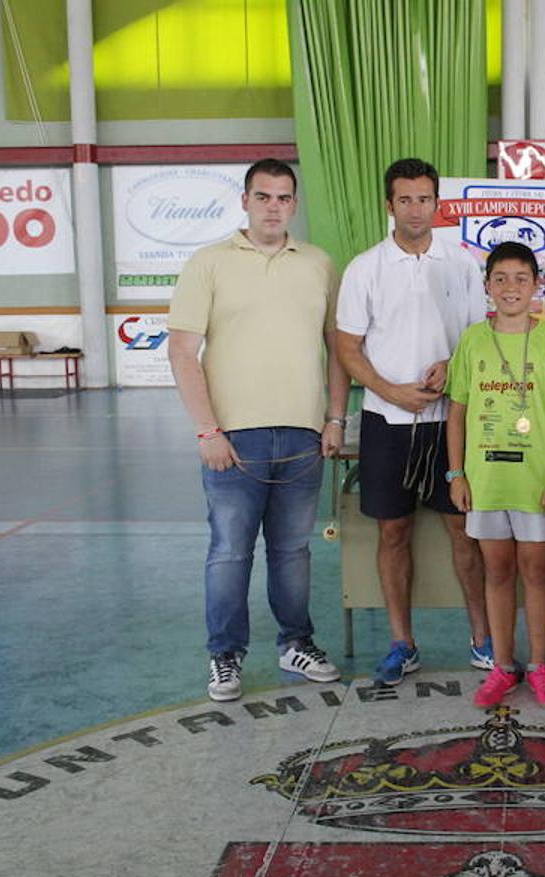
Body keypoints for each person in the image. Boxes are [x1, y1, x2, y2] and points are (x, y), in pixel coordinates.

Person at [167, 158, 346, 702]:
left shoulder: (318, 263)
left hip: (302, 437)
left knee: (292, 551)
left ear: (295, 204)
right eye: (263, 196)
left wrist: (335, 417)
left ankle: (297, 643)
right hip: (232, 440)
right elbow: (181, 350)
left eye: (284, 198)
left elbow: (337, 348)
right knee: (229, 552)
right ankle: (225, 656)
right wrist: (207, 431)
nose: (274, 207)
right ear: (244, 200)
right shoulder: (208, 263)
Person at [335, 158, 490, 686]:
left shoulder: (463, 264)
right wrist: (390, 391)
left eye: (425, 199)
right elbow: (347, 347)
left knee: (463, 530)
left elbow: (477, 337)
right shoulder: (364, 268)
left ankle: (483, 640)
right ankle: (403, 643)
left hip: (452, 423)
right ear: (389, 205)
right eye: (405, 200)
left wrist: (454, 366)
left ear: (437, 204)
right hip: (386, 422)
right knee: (393, 532)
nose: (416, 209)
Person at [446, 242, 545, 710]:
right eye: (501, 278)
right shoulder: (472, 340)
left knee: (536, 571)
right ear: (487, 286)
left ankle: (540, 666)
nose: (511, 288)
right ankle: (504, 666)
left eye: (521, 279)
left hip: (537, 484)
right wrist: (457, 474)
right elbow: (457, 413)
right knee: (498, 571)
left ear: (536, 286)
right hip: (487, 483)